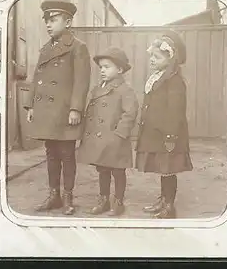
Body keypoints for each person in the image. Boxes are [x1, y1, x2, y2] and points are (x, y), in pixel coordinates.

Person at [22, 0, 91, 215]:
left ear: (68, 21)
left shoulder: (78, 47)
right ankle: (54, 196)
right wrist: (31, 105)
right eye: (47, 21)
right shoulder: (45, 49)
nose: (48, 25)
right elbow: (37, 78)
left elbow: (82, 81)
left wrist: (76, 109)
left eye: (54, 20)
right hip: (46, 112)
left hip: (65, 112)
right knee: (51, 154)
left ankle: (68, 197)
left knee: (67, 154)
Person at [135, 30, 193, 219]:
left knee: (168, 171)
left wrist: (170, 136)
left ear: (171, 58)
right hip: (156, 134)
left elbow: (175, 112)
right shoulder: (158, 78)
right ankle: (163, 200)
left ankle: (169, 206)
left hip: (168, 135)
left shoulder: (174, 81)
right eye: (151, 55)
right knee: (163, 169)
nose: (151, 59)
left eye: (157, 57)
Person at [77, 47, 139, 216]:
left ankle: (118, 202)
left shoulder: (125, 90)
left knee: (118, 171)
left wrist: (120, 134)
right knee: (103, 170)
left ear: (119, 70)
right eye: (101, 67)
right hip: (100, 139)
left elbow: (130, 113)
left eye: (107, 67)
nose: (102, 70)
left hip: (116, 139)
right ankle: (103, 200)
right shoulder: (98, 89)